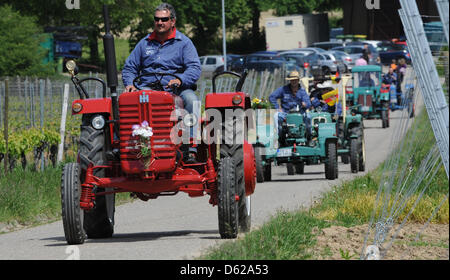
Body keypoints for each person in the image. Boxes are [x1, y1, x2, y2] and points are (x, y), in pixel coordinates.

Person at [122, 3, 201, 163]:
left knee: (192, 100)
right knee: (124, 102)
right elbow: (129, 67)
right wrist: (129, 83)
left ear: (173, 21)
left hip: (176, 89)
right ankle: (123, 145)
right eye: (157, 19)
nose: (160, 22)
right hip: (147, 88)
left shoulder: (184, 43)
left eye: (164, 19)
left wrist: (180, 80)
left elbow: (194, 68)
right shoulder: (144, 43)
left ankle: (190, 146)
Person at [269, 71, 312, 142]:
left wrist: (305, 104)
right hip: (286, 113)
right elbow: (272, 97)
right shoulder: (283, 89)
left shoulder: (302, 91)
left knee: (308, 117)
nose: (293, 81)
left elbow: (308, 103)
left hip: (299, 114)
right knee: (276, 116)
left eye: (295, 80)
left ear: (298, 80)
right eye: (292, 80)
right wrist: (277, 108)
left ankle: (309, 137)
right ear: (289, 81)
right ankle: (279, 137)